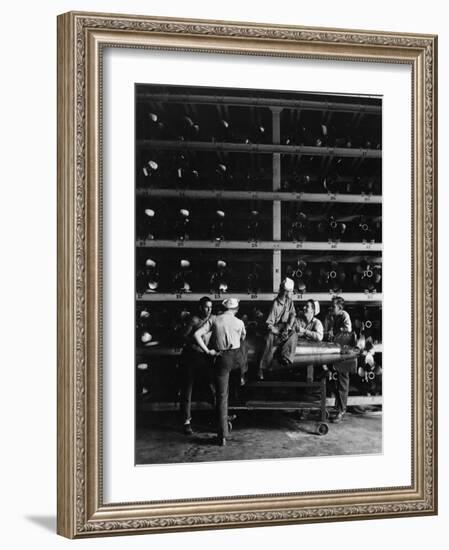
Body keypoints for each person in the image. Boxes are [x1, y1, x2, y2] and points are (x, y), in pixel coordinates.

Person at [193, 298, 246, 446]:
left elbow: (197, 334)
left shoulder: (215, 319)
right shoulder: (239, 322)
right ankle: (242, 376)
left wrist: (208, 351)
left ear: (224, 308)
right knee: (235, 389)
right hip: (236, 359)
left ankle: (222, 435)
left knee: (222, 396)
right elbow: (243, 338)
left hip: (222, 358)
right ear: (236, 309)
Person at [179, 296, 215, 435]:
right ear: (200, 307)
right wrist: (195, 343)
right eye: (206, 307)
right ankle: (186, 422)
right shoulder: (194, 320)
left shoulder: (212, 319)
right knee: (187, 389)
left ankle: (220, 416)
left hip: (204, 357)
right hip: (191, 357)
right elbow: (183, 336)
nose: (208, 310)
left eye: (210, 307)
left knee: (212, 386)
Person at [257, 277, 297, 379]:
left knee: (294, 334)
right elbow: (269, 325)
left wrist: (287, 328)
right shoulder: (275, 304)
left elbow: (292, 315)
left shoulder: (289, 301)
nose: (292, 293)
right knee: (268, 340)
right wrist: (279, 333)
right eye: (291, 291)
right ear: (286, 292)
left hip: (284, 328)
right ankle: (262, 368)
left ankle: (285, 357)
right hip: (275, 328)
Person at [324, 296, 353, 423]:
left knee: (342, 381)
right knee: (330, 379)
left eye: (334, 306)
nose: (331, 308)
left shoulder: (344, 316)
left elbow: (348, 332)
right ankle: (336, 408)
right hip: (332, 351)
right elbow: (326, 331)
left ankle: (341, 411)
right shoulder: (330, 316)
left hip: (343, 353)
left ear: (340, 308)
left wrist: (334, 332)